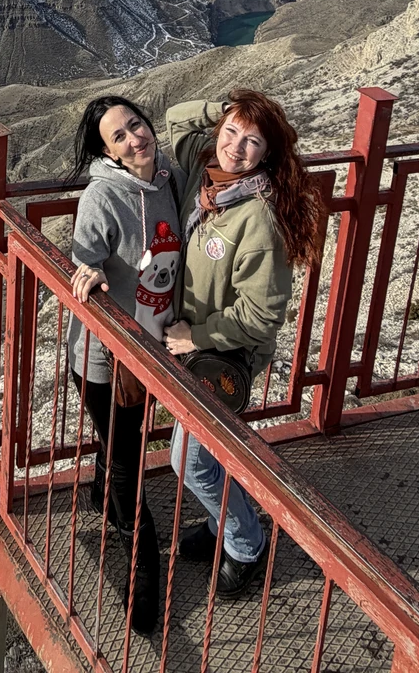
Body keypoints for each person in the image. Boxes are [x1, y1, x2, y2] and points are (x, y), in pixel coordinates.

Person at [162, 90, 320, 597]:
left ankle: (246, 543)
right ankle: (219, 527)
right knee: (208, 450)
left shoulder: (257, 218)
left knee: (188, 459)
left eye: (251, 141)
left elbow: (262, 314)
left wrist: (197, 336)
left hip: (223, 352)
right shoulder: (207, 173)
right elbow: (173, 119)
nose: (235, 147)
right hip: (193, 346)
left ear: (266, 154)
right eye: (230, 134)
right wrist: (223, 109)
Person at [68, 95, 185, 636]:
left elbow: (198, 119)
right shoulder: (102, 196)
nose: (134, 138)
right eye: (119, 136)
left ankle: (100, 496)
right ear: (108, 154)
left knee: (118, 440)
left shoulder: (172, 179)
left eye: (136, 124)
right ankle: (144, 567)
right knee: (127, 459)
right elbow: (82, 256)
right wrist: (88, 271)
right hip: (104, 358)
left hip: (150, 348)